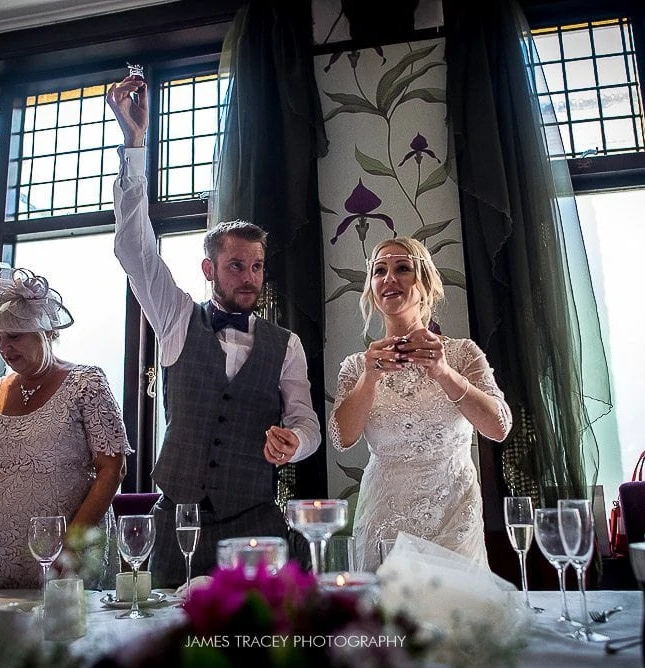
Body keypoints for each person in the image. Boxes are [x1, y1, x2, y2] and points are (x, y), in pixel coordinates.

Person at [106, 74, 321, 588]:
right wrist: (134, 145)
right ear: (209, 270)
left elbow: (306, 421)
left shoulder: (285, 345)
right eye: (236, 266)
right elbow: (135, 251)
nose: (249, 278)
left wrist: (295, 443)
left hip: (256, 526)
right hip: (177, 521)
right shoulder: (177, 318)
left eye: (257, 267)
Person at [328, 238, 513, 571]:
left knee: (453, 615)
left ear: (425, 282)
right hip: (384, 519)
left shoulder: (461, 354)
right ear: (371, 288)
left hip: (453, 518)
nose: (389, 278)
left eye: (402, 268)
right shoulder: (357, 366)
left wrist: (442, 372)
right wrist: (370, 378)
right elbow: (342, 438)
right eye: (379, 271)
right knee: (389, 620)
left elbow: (498, 427)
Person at [0, 264, 130, 589]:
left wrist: (72, 545)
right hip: (0, 559)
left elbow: (112, 468)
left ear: (47, 332)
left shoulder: (86, 383)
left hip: (71, 556)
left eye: (14, 336)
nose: (4, 348)